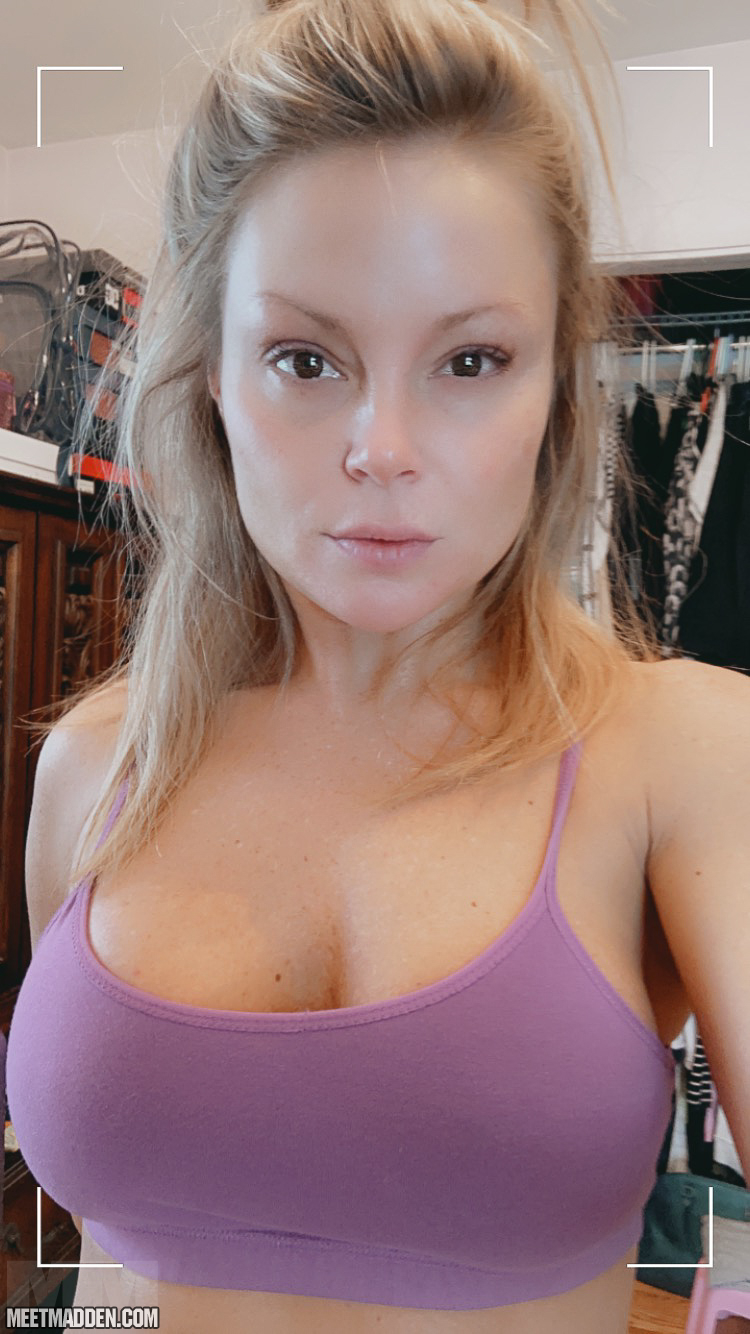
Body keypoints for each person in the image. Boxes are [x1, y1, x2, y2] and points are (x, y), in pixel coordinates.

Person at [7, 0, 749, 1331]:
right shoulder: (93, 768)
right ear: (214, 375)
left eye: (470, 359)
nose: (384, 448)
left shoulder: (683, 755)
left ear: (554, 388)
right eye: (305, 358)